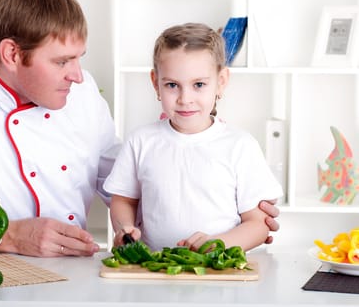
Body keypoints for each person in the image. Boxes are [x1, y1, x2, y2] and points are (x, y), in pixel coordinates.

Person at [0, 0, 280, 257]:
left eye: (78, 58)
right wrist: (8, 236)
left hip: (80, 274)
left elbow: (119, 179)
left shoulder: (82, 90)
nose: (78, 74)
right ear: (12, 54)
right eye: (62, 61)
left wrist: (235, 217)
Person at [104, 23, 283, 252]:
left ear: (221, 82)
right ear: (155, 83)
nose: (185, 98)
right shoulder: (140, 141)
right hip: (153, 269)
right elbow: (124, 200)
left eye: (199, 84)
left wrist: (220, 244)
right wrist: (125, 228)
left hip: (218, 271)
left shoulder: (240, 145)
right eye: (172, 85)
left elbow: (258, 225)